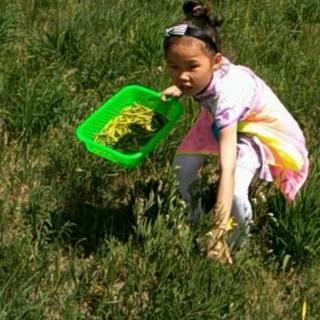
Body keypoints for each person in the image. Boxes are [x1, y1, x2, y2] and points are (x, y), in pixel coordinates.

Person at [161, 0, 309, 264]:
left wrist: (218, 231)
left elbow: (226, 169)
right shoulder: (205, 66)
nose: (182, 75)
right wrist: (180, 89)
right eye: (174, 67)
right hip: (221, 119)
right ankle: (192, 216)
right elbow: (192, 77)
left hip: (255, 129)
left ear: (215, 62)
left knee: (236, 191)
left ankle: (235, 241)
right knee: (181, 167)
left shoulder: (229, 93)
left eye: (191, 67)